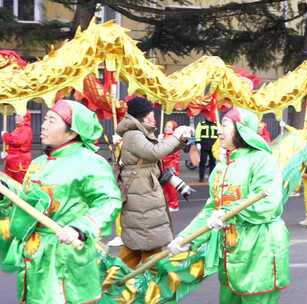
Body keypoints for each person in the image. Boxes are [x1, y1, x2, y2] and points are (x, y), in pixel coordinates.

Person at [0, 100, 122, 303]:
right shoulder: (39, 163)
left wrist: (80, 228)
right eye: (45, 119)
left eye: (51, 120)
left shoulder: (90, 162)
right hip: (35, 256)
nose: (43, 125)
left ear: (72, 131)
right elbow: (28, 199)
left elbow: (108, 201)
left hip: (67, 254)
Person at [168, 107, 289, 304]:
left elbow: (269, 203)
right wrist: (185, 238)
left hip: (260, 251)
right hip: (230, 253)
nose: (218, 130)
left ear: (241, 129)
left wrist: (226, 214)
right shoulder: (221, 167)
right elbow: (211, 210)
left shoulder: (261, 160)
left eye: (224, 125)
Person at [116, 97, 191, 268]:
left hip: (144, 190)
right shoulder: (134, 135)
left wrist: (181, 141)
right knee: (148, 239)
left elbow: (161, 151)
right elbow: (155, 152)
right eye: (150, 113)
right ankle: (149, 282)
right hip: (141, 193)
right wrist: (175, 135)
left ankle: (128, 279)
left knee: (144, 240)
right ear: (142, 116)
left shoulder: (140, 132)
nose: (153, 117)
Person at [1, 112, 32, 183]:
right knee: (10, 184)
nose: (16, 117)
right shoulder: (19, 128)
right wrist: (6, 154)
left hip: (19, 163)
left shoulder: (26, 129)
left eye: (19, 115)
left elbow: (17, 141)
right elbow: (13, 147)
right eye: (16, 115)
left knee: (18, 185)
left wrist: (5, 135)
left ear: (25, 117)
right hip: (13, 162)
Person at [162, 120, 182, 212]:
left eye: (169, 127)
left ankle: (174, 205)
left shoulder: (175, 139)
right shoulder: (163, 137)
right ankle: (168, 203)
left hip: (171, 165)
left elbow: (176, 155)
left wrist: (173, 166)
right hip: (164, 165)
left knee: (171, 186)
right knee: (165, 186)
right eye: (166, 126)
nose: (167, 128)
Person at [195, 118, 218, 182]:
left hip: (214, 146)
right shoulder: (201, 124)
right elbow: (197, 133)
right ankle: (201, 177)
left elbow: (220, 134)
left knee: (213, 162)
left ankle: (211, 177)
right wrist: (198, 142)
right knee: (203, 161)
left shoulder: (217, 124)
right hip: (204, 145)